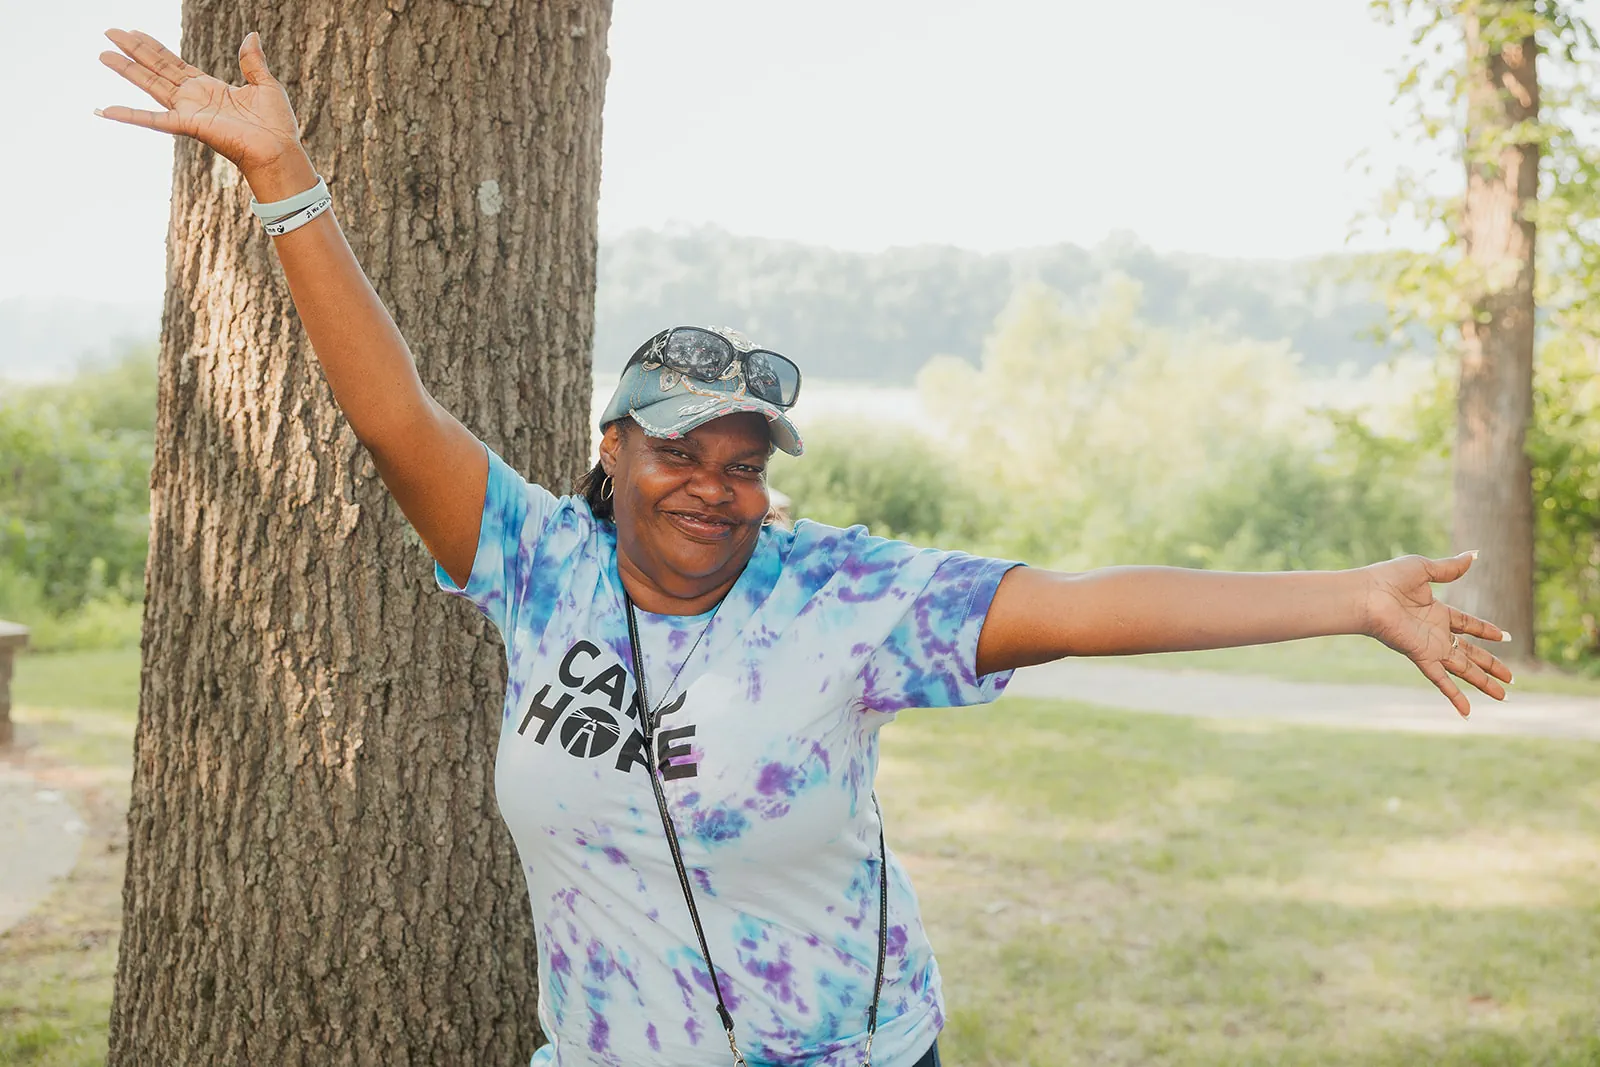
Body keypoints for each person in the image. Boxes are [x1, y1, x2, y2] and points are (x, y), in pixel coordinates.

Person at [95, 29, 1515, 1067]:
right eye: (680, 453)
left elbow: (1085, 605)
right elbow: (394, 411)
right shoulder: (538, 562)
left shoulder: (843, 597)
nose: (714, 490)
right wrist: (283, 175)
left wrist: (1351, 597)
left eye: (744, 465)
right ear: (613, 449)